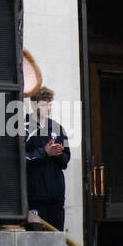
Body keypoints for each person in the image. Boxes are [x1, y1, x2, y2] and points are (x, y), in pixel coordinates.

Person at [23, 86, 71, 230]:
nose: (48, 109)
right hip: (34, 198)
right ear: (34, 104)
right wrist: (44, 152)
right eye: (44, 104)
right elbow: (19, 159)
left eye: (50, 105)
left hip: (56, 197)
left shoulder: (58, 128)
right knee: (36, 241)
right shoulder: (22, 127)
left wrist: (58, 154)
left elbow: (65, 160)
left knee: (56, 240)